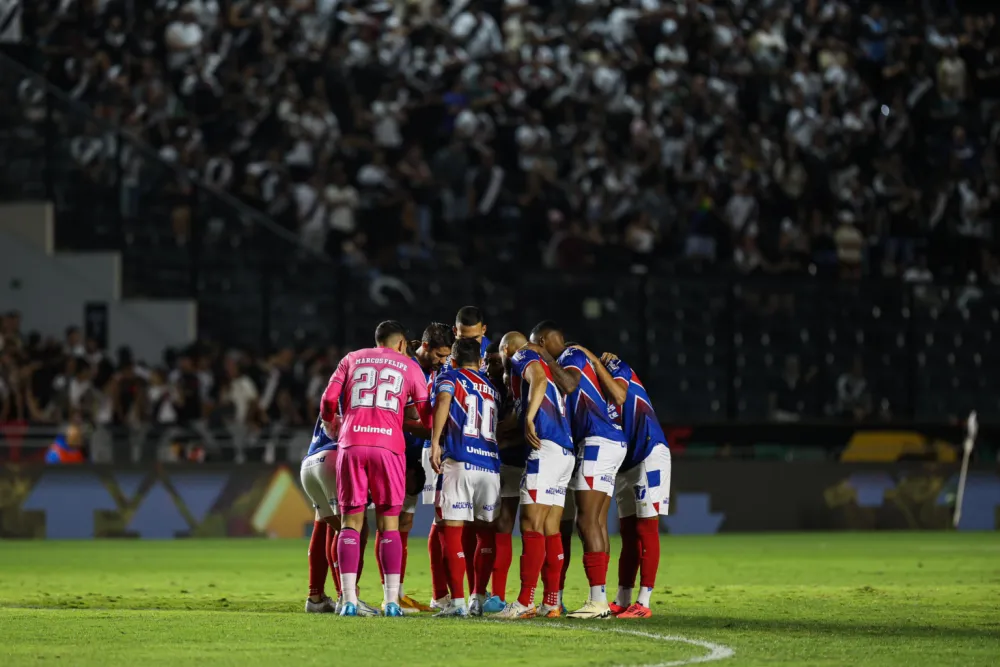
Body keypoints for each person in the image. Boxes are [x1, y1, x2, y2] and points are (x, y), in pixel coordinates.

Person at [320, 321, 433, 617]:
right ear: (401, 343)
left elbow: (328, 400)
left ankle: (348, 600)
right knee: (389, 524)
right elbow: (427, 414)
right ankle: (392, 601)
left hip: (352, 443)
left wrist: (332, 423)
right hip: (388, 447)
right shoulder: (409, 366)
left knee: (350, 523)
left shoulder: (351, 358)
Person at [528, 322, 627, 619]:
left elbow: (570, 384)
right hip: (604, 441)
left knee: (586, 521)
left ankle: (598, 601)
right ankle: (596, 598)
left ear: (542, 341)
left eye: (536, 345)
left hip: (598, 441)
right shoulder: (571, 359)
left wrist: (544, 357)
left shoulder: (571, 355)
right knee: (595, 521)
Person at [496, 331, 574, 620]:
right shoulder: (547, 374)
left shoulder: (522, 355)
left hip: (546, 449)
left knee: (530, 524)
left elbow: (538, 378)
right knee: (550, 527)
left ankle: (524, 601)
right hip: (564, 452)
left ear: (506, 348)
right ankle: (551, 601)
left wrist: (529, 418)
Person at [428, 338, 502, 617]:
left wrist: (435, 442)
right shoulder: (493, 388)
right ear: (480, 361)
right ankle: (478, 597)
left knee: (452, 531)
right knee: (486, 534)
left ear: (454, 360)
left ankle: (457, 602)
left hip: (460, 461)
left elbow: (444, 400)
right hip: (490, 467)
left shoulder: (450, 377)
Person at [597, 352, 671, 619]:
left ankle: (644, 601)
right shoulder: (590, 393)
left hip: (649, 452)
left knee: (646, 527)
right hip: (625, 462)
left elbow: (620, 394)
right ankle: (623, 598)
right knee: (627, 531)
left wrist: (597, 363)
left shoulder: (613, 367)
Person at [299, 411, 380, 616]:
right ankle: (347, 597)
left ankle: (315, 597)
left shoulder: (333, 393)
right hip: (336, 458)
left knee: (328, 525)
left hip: (310, 462)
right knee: (354, 528)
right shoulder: (360, 394)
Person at [399, 323, 454, 612]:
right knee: (389, 522)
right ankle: (389, 593)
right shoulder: (406, 368)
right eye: (439, 355)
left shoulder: (434, 372)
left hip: (415, 454)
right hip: (395, 453)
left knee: (407, 522)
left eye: (447, 356)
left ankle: (405, 593)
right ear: (425, 346)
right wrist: (435, 430)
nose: (443, 361)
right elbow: (398, 415)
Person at [483, 340, 520, 614]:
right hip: (500, 463)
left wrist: (502, 438)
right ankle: (494, 594)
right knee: (498, 525)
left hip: (524, 462)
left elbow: (522, 426)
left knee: (539, 528)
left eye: (496, 362)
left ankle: (553, 596)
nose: (490, 367)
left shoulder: (517, 385)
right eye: (487, 361)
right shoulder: (485, 387)